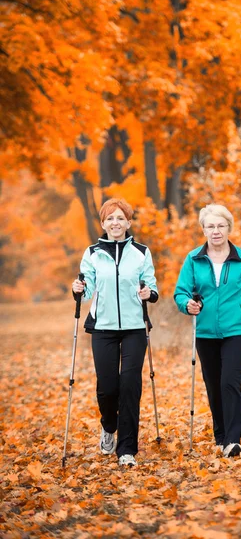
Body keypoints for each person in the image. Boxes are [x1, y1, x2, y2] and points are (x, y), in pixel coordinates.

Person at [174, 204, 241, 458]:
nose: (216, 231)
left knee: (230, 381)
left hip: (236, 329)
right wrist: (187, 304)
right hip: (204, 332)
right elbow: (181, 292)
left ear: (228, 228)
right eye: (210, 226)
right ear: (203, 229)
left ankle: (233, 439)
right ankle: (220, 435)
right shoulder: (193, 259)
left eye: (220, 226)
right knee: (213, 384)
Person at [72, 198, 158, 468]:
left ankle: (127, 449)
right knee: (108, 388)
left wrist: (148, 293)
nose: (116, 223)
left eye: (121, 218)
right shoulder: (93, 252)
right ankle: (109, 426)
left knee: (130, 385)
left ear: (129, 223)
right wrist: (78, 289)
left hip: (134, 327)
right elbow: (86, 291)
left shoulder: (142, 252)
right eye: (110, 218)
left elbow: (152, 288)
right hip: (103, 328)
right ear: (103, 224)